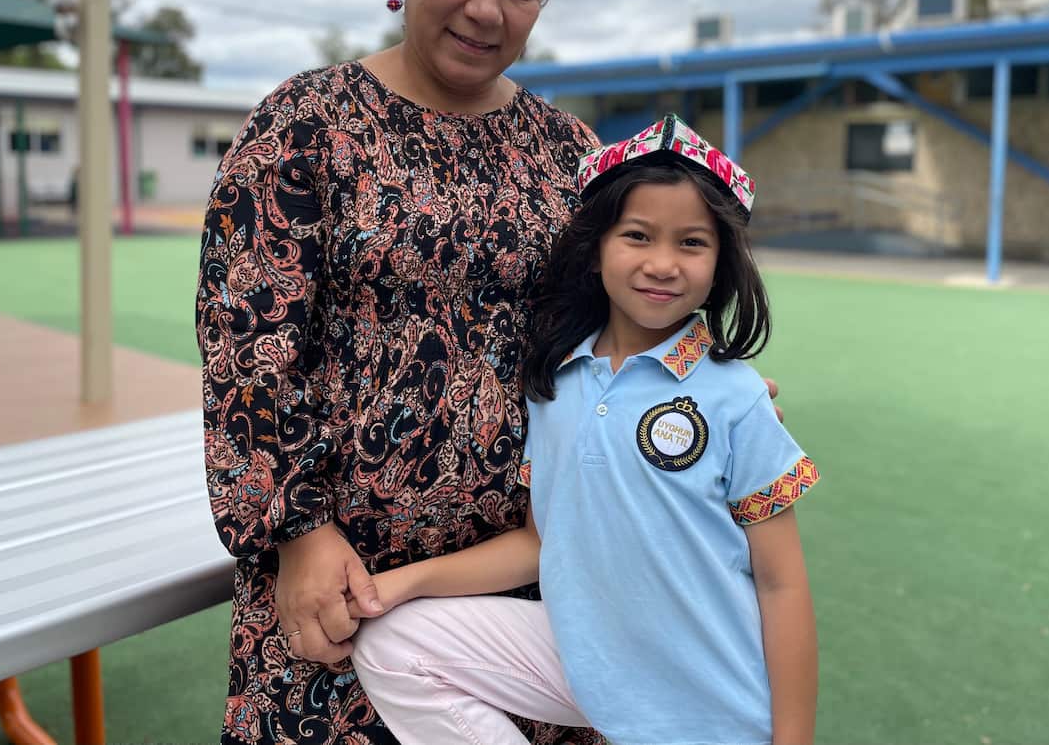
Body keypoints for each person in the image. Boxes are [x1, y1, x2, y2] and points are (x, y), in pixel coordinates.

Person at [196, 0, 607, 742]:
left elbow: (615, 325)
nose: (487, 7)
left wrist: (693, 379)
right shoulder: (303, 126)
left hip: (528, 584)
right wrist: (297, 533)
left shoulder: (568, 152)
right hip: (341, 580)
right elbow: (248, 349)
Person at [351, 115, 821, 745]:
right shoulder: (558, 381)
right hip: (583, 659)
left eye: (691, 243)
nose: (662, 264)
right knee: (393, 644)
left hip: (705, 708)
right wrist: (401, 584)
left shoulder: (736, 396)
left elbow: (782, 582)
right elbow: (540, 542)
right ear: (596, 248)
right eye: (637, 235)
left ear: (721, 263)